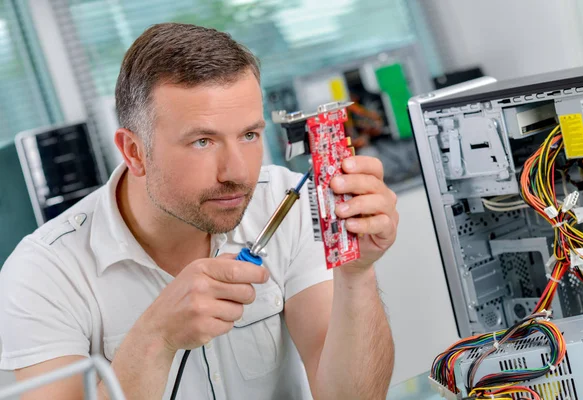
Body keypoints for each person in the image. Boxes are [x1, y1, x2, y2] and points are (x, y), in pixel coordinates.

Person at [0, 23, 398, 400]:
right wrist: (156, 339)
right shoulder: (42, 274)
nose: (238, 173)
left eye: (249, 135)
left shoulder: (283, 201)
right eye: (203, 141)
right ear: (134, 152)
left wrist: (356, 273)